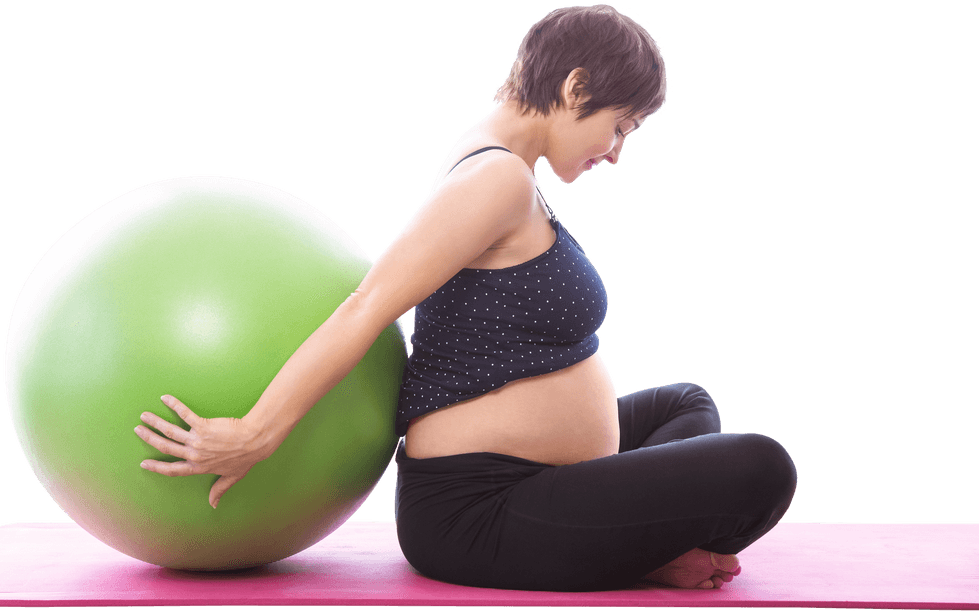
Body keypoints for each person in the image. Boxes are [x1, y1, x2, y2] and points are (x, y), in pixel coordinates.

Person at [134, 2, 797, 592]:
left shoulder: (508, 170)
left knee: (685, 403)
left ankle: (626, 541)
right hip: (479, 508)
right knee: (762, 468)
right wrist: (256, 432)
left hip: (535, 485)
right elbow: (369, 305)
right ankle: (635, 549)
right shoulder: (496, 180)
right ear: (575, 87)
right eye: (620, 126)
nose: (617, 151)